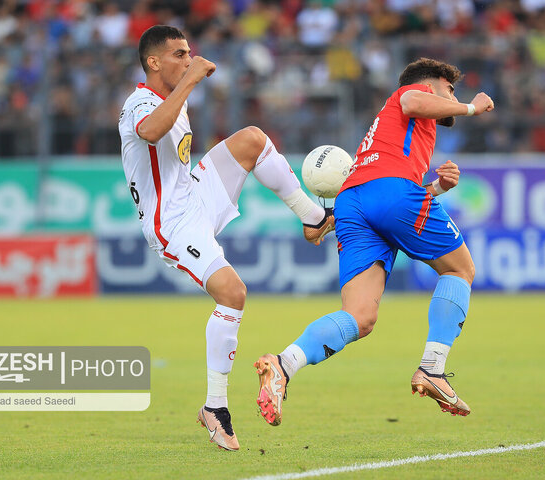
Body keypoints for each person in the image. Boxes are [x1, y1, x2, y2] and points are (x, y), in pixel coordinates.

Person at [118, 25, 334, 450]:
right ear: (154, 62)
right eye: (178, 54)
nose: (187, 59)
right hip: (172, 223)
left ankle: (313, 218)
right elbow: (149, 132)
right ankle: (214, 406)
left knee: (253, 139)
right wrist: (193, 78)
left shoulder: (173, 97)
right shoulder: (138, 102)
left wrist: (189, 81)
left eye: (189, 53)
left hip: (194, 195)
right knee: (233, 293)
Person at [254, 58, 494, 426]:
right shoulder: (413, 94)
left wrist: (438, 189)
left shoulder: (395, 128)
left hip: (353, 202)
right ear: (435, 83)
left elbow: (388, 195)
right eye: (451, 90)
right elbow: (414, 106)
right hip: (389, 192)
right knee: (461, 269)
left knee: (360, 317)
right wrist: (471, 107)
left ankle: (284, 364)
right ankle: (432, 368)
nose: (452, 98)